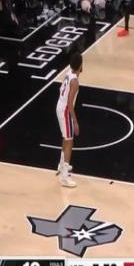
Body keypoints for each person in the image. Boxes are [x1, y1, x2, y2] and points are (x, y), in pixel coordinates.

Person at [56, 53, 83, 188]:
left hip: (60, 106)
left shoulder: (69, 73)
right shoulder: (74, 82)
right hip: (65, 110)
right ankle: (64, 177)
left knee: (65, 138)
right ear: (80, 65)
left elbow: (61, 90)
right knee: (70, 141)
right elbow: (70, 104)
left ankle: (61, 165)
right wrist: (75, 122)